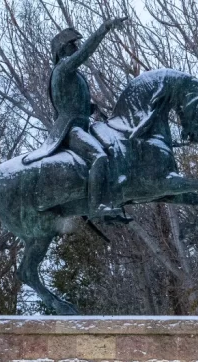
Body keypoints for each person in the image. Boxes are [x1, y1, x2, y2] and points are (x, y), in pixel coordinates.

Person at [22, 19, 130, 222]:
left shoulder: (72, 75)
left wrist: (92, 109)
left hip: (82, 125)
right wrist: (105, 28)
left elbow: (71, 103)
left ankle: (113, 204)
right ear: (63, 50)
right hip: (70, 129)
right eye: (73, 45)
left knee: (114, 149)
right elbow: (85, 53)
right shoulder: (63, 69)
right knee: (99, 157)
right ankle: (97, 207)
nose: (77, 48)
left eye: (76, 45)